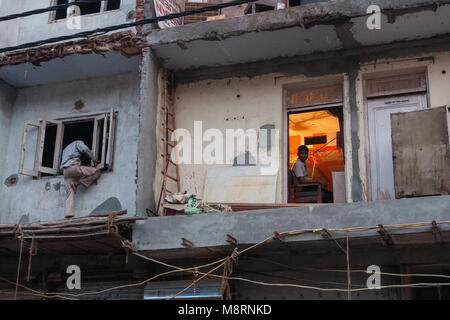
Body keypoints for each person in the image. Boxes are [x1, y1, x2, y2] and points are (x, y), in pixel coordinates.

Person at [60, 140, 101, 219]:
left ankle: (69, 213)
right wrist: (94, 159)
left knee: (69, 192)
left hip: (65, 171)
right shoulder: (78, 142)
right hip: (73, 167)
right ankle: (77, 183)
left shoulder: (65, 149)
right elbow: (85, 150)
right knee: (97, 172)